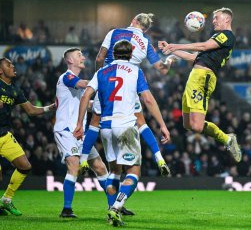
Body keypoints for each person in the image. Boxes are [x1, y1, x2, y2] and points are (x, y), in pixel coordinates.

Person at [74, 40, 168, 226]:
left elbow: (85, 95)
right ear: (132, 52)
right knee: (133, 171)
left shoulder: (101, 72)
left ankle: (111, 207)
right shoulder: (135, 71)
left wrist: (79, 124)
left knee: (114, 171)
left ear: (113, 54)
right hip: (125, 125)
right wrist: (162, 124)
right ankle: (117, 207)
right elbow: (147, 99)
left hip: (106, 128)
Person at [80, 13, 175, 179]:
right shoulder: (145, 42)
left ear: (134, 21)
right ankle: (159, 157)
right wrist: (170, 60)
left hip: (108, 81)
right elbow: (163, 69)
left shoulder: (114, 33)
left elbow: (100, 57)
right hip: (131, 83)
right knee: (141, 121)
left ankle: (82, 160)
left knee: (96, 121)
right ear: (145, 28)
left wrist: (99, 77)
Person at [158, 7, 241, 163]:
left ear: (227, 19)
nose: (213, 21)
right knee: (188, 124)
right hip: (194, 76)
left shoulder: (227, 35)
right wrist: (171, 49)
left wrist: (176, 45)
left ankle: (227, 139)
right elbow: (192, 57)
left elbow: (203, 46)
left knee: (196, 126)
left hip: (203, 77)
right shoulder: (216, 39)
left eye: (216, 18)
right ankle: (226, 139)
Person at [53, 48, 111, 218]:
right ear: (69, 60)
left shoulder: (76, 82)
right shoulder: (67, 77)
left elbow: (86, 102)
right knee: (74, 165)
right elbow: (83, 84)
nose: (83, 57)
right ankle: (66, 209)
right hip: (65, 131)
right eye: (79, 55)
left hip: (80, 133)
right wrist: (104, 78)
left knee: (100, 167)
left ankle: (114, 206)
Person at [0, 57, 55, 216]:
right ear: (0, 70)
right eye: (8, 65)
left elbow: (30, 110)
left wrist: (49, 108)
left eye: (12, 64)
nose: (13, 66)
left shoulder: (15, 89)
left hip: (4, 135)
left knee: (25, 166)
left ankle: (6, 200)